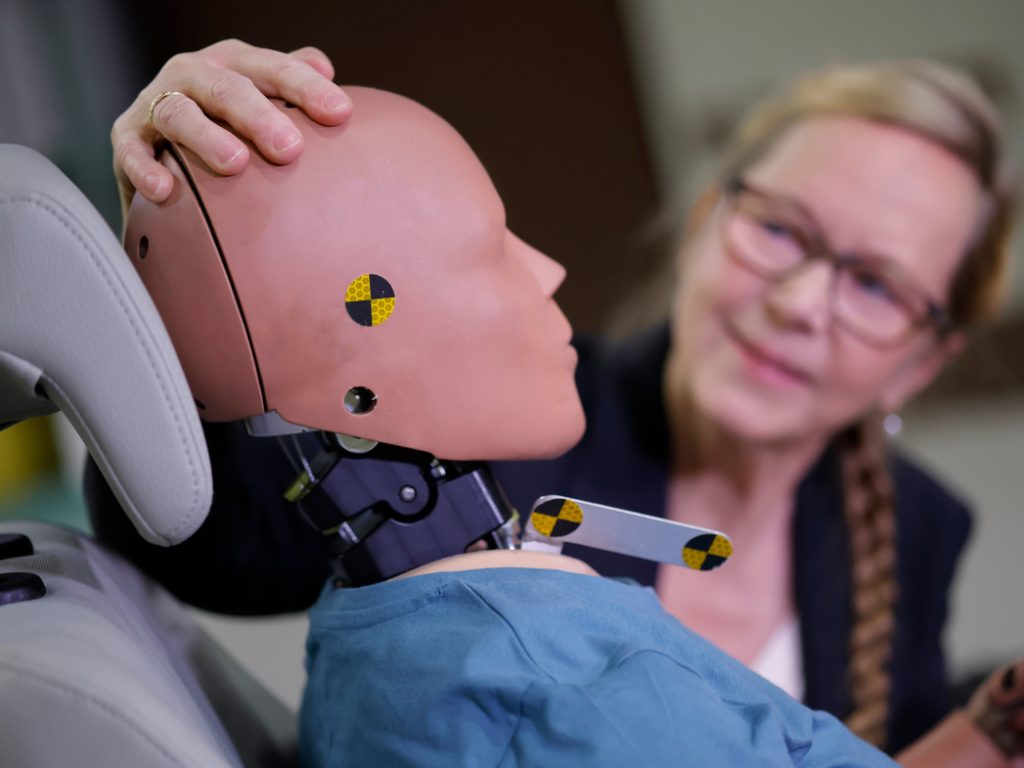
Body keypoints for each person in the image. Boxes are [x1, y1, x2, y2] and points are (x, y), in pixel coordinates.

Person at [88, 39, 1020, 758]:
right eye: (781, 229)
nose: (798, 303)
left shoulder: (917, 528)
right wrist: (185, 277)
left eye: (876, 287)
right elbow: (198, 530)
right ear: (706, 222)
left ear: (919, 362)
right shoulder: (474, 427)